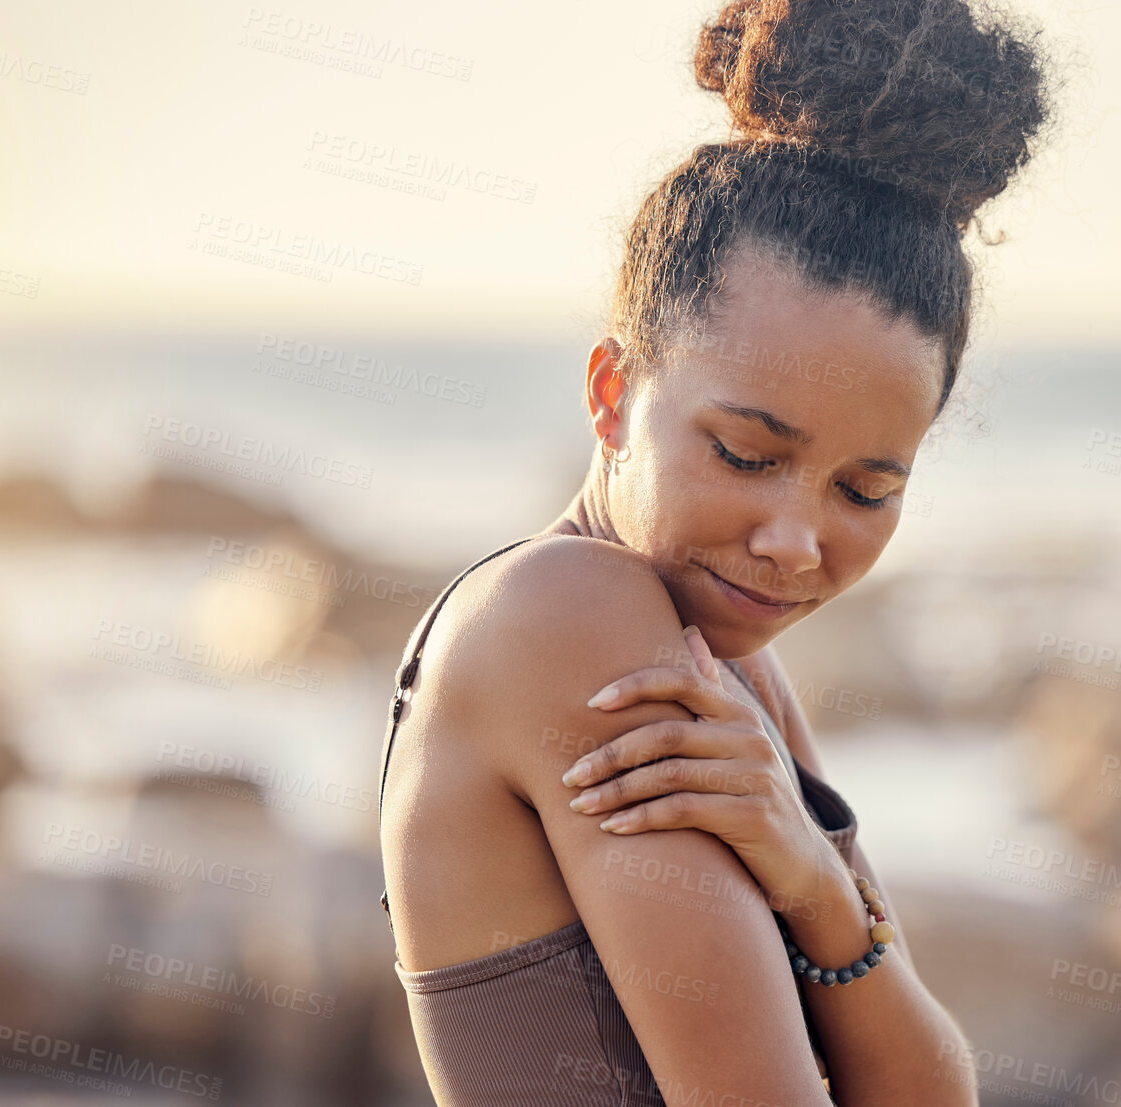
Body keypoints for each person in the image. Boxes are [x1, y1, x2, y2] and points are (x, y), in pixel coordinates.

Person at [377, 1, 1056, 1102]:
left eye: (867, 490)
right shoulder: (570, 617)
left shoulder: (729, 665)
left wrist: (817, 887)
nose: (794, 543)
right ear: (612, 394)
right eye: (745, 454)